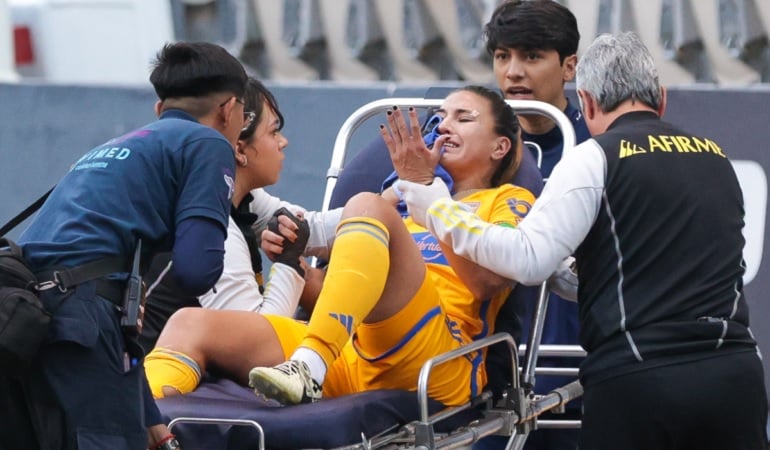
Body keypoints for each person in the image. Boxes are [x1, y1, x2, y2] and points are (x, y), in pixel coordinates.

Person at [395, 32, 768, 450]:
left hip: (641, 380)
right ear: (660, 98)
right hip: (737, 378)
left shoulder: (596, 156)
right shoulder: (716, 157)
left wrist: (434, 206)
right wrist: (569, 272)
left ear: (586, 103)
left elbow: (528, 260)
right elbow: (652, 266)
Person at [144, 86, 534, 408]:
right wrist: (296, 264)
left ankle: (308, 366)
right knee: (188, 323)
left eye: (463, 118)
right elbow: (342, 300)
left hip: (437, 358)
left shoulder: (507, 199)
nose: (444, 126)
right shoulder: (405, 203)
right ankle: (139, 423)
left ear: (499, 147)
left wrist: (423, 191)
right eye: (440, 119)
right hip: (345, 353)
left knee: (367, 204)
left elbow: (488, 281)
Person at [5, 42, 249, 450]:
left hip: (28, 321)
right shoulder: (208, 144)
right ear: (228, 109)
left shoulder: (112, 148)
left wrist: (148, 418)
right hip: (80, 321)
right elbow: (196, 268)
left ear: (159, 110)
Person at [139, 77, 336, 354]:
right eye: (273, 132)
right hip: (157, 386)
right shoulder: (210, 229)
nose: (283, 142)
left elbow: (312, 228)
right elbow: (264, 342)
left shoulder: (238, 197)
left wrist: (397, 196)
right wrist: (289, 262)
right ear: (240, 149)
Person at [480, 1, 590, 448]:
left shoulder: (597, 148)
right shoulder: (469, 141)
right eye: (503, 56)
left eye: (531, 56)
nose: (513, 72)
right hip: (484, 382)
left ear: (569, 66)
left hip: (576, 380)